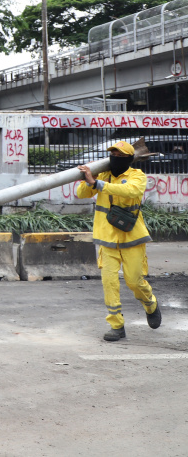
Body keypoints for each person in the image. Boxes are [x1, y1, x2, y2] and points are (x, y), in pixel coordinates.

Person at [76, 141, 161, 342]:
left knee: (134, 281)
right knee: (109, 282)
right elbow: (81, 194)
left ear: (129, 160)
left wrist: (97, 184)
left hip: (132, 237)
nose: (115, 158)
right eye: (113, 154)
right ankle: (116, 325)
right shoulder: (102, 175)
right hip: (107, 239)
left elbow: (130, 192)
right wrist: (90, 180)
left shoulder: (137, 176)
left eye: (120, 156)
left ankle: (150, 304)